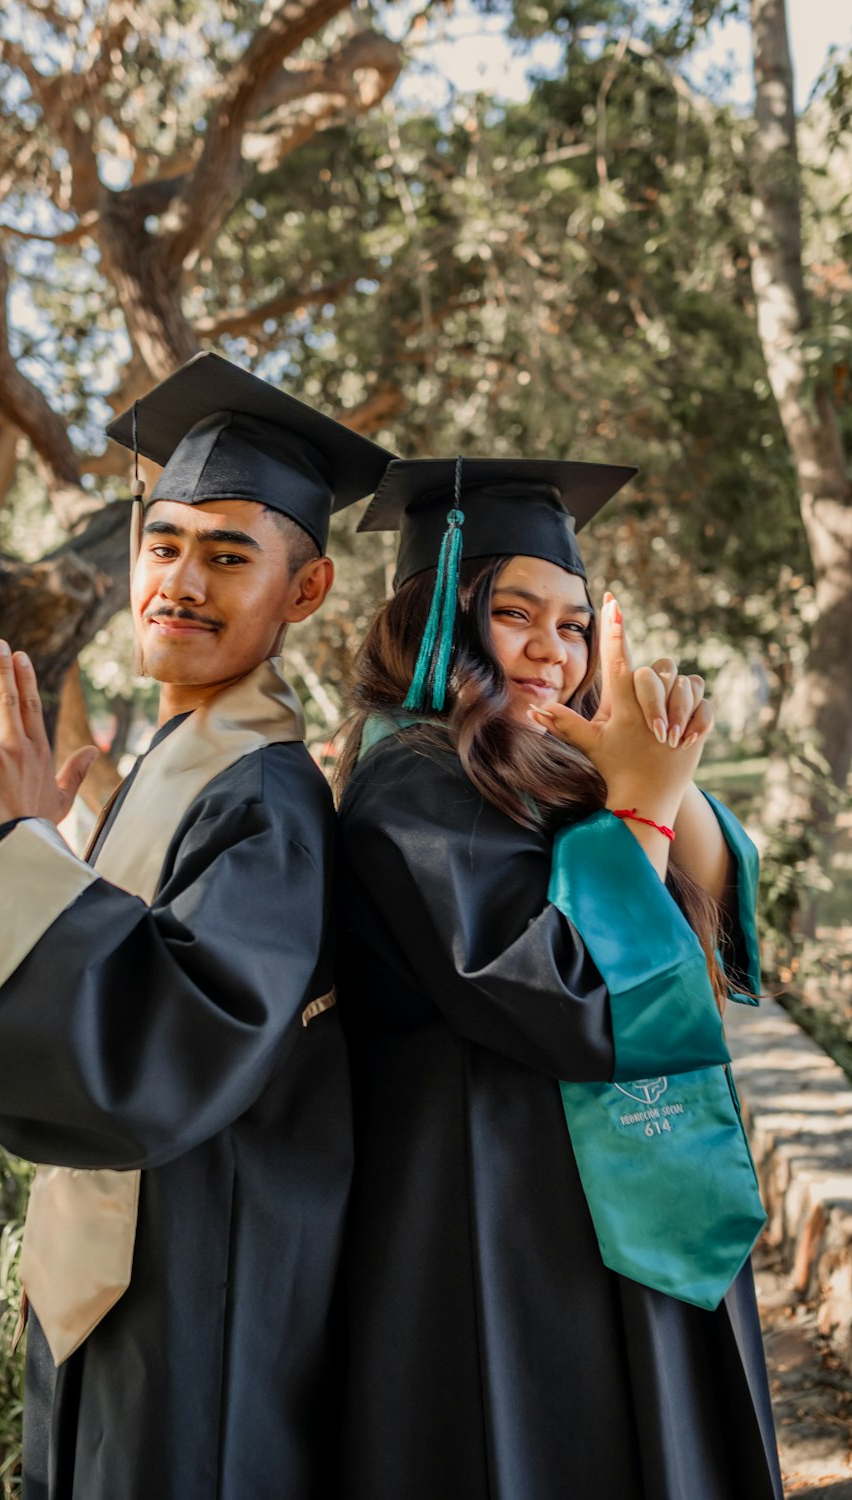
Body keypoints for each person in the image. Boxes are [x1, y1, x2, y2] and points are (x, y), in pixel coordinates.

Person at [0, 351, 394, 1500]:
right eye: (164, 544)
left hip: (208, 1274)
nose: (178, 582)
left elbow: (170, 1046)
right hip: (133, 1261)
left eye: (229, 555)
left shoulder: (267, 794)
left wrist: (15, 859)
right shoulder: (180, 758)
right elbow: (105, 953)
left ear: (305, 592)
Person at [333, 456, 783, 1500]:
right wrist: (639, 812)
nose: (550, 649)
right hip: (494, 1201)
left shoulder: (546, 760)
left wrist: (662, 776)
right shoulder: (413, 773)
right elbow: (558, 989)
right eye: (514, 613)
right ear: (440, 613)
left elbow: (704, 922)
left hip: (606, 1184)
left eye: (574, 625)